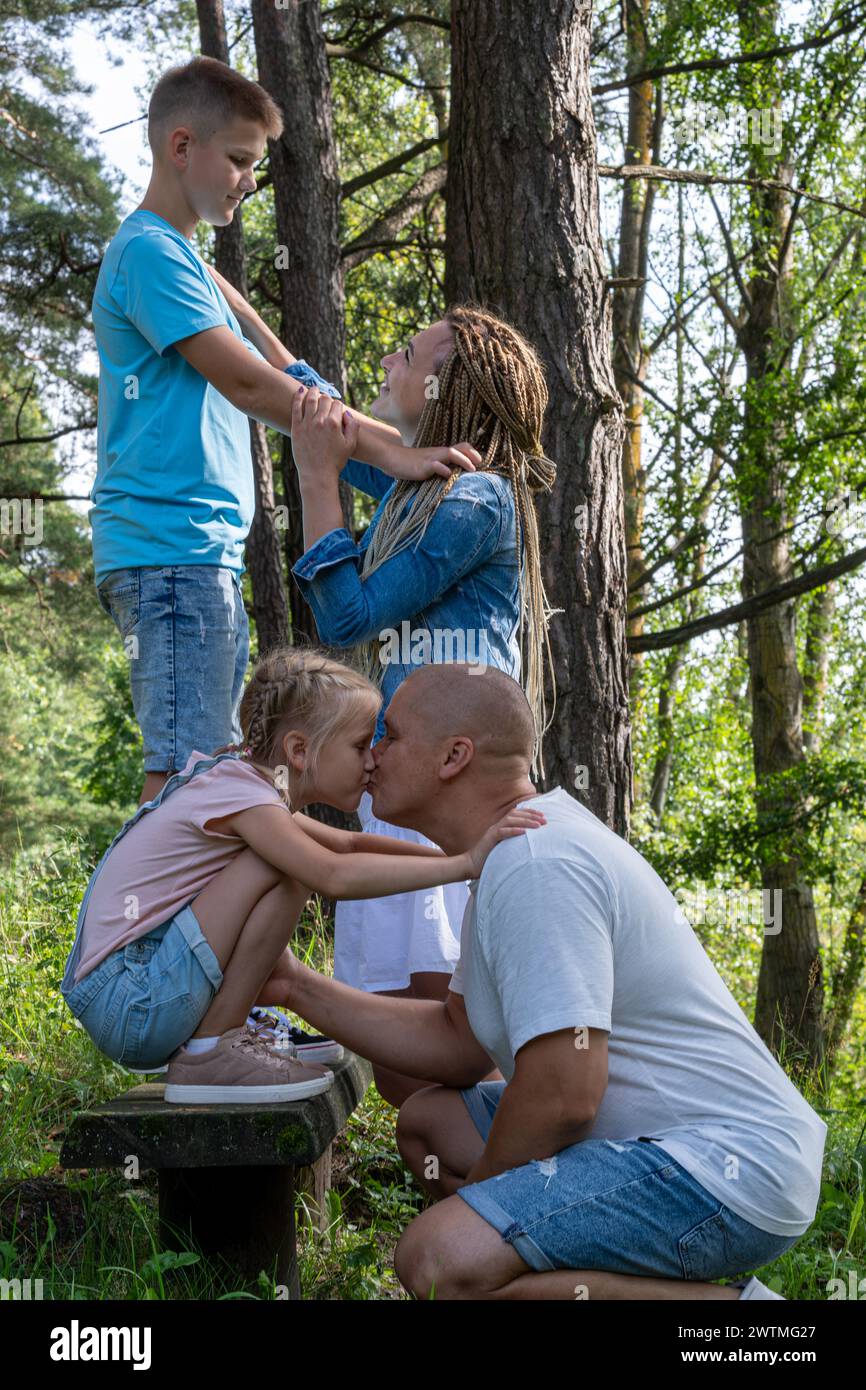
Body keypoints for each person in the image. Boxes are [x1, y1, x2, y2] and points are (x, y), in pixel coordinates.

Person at [274, 660, 828, 1301]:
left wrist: (485, 1198)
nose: (372, 755)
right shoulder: (509, 852)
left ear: (454, 756)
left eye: (389, 736)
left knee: (436, 1261)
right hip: (662, 1147)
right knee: (431, 1124)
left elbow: (565, 1092)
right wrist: (293, 985)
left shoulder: (538, 862)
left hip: (725, 1169)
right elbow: (458, 1042)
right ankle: (550, 1264)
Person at [89, 55, 480, 807]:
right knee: (183, 775)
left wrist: (242, 305)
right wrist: (394, 454)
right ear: (180, 147)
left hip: (195, 552)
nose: (247, 180)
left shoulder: (172, 255)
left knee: (203, 763)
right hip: (170, 549)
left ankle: (180, 922)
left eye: (254, 166)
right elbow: (249, 386)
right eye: (236, 160)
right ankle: (142, 927)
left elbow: (265, 355)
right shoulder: (148, 252)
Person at [267, 304, 559, 1107]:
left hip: (455, 794)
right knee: (406, 1067)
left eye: (405, 354)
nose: (387, 364)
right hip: (408, 788)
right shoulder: (415, 484)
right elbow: (308, 399)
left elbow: (348, 616)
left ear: (447, 388)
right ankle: (458, 1190)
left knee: (457, 1036)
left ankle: (499, 1198)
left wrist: (319, 476)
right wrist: (227, 304)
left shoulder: (476, 501)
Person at [58, 648, 545, 1103]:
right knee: (285, 866)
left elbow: (352, 843)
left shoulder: (249, 785)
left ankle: (224, 1032)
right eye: (360, 744)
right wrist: (464, 865)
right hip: (132, 1001)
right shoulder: (244, 796)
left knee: (289, 858)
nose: (373, 759)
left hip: (137, 991)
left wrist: (458, 851)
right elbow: (332, 873)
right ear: (299, 750)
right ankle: (210, 1053)